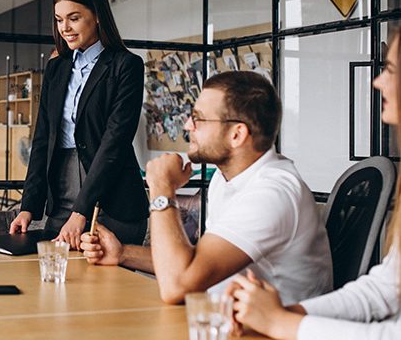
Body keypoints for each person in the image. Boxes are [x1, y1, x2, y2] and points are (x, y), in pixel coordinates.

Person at [81, 71, 333, 305]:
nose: (188, 126)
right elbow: (194, 264)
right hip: (226, 322)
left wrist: (161, 189)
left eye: (199, 119)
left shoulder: (272, 193)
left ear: (237, 134)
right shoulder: (225, 179)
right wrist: (123, 253)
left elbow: (177, 286)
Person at [228, 27, 401, 339]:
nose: (377, 81)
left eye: (389, 69)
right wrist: (279, 314)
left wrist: (282, 323)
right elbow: (384, 290)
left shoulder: (276, 187)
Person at [9, 0, 149, 248]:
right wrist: (28, 206)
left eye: (74, 18)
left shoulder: (126, 66)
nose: (65, 28)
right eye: (59, 20)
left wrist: (81, 211)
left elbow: (115, 143)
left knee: (103, 288)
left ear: (97, 16)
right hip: (62, 194)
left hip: (114, 200)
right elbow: (42, 140)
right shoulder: (56, 68)